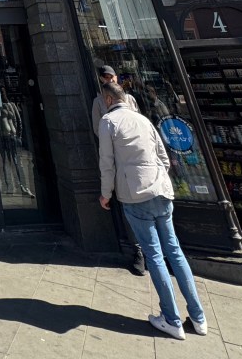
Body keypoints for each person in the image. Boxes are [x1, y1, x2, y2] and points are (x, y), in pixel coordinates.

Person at [98, 81, 207, 340]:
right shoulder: (144, 120)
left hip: (135, 194)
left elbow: (107, 162)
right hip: (161, 190)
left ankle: (171, 320)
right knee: (175, 252)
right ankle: (199, 318)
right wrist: (158, 179)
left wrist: (106, 193)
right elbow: (163, 156)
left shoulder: (109, 122)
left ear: (109, 100)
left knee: (154, 256)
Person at [91, 64, 144, 275]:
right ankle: (138, 251)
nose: (108, 80)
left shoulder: (130, 100)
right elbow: (99, 132)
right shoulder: (99, 103)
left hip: (138, 160)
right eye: (104, 78)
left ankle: (155, 253)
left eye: (110, 77)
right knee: (129, 206)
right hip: (119, 161)